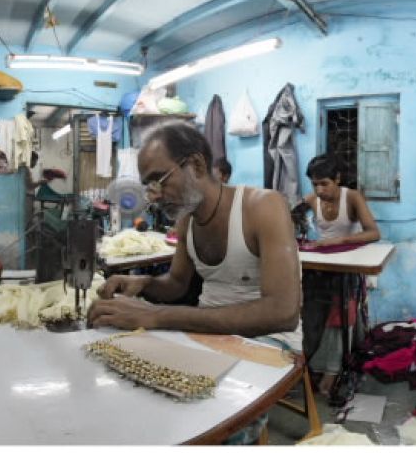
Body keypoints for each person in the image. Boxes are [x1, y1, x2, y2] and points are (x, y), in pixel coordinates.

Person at [90, 121, 302, 343]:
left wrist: (155, 315)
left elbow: (283, 313)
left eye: (159, 181)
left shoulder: (263, 206)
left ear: (197, 165)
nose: (154, 196)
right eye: (149, 187)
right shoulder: (186, 220)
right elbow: (176, 284)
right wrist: (144, 283)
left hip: (270, 342)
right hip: (207, 336)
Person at [298, 153, 381, 395]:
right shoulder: (312, 200)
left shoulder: (352, 198)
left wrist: (339, 239)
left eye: (324, 183)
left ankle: (332, 370)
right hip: (321, 266)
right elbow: (291, 217)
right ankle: (308, 365)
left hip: (347, 267)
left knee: (338, 317)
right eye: (315, 184)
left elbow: (374, 233)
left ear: (337, 178)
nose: (319, 189)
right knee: (311, 316)